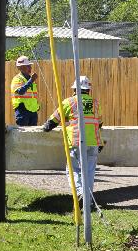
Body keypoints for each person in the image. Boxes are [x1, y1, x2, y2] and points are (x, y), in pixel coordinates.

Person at [43, 75, 102, 209]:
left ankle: (81, 194)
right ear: (88, 90)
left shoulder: (69, 102)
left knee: (74, 170)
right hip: (93, 142)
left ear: (75, 89)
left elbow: (52, 121)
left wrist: (45, 128)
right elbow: (100, 123)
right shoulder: (95, 102)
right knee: (89, 171)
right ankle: (88, 201)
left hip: (76, 141)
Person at [11, 55, 40, 126]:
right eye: (28, 66)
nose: (30, 68)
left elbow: (33, 95)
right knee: (23, 134)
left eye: (30, 65)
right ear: (21, 68)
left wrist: (37, 105)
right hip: (22, 110)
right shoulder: (17, 79)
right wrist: (31, 80)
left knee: (33, 134)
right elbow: (21, 92)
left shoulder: (30, 79)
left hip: (33, 111)